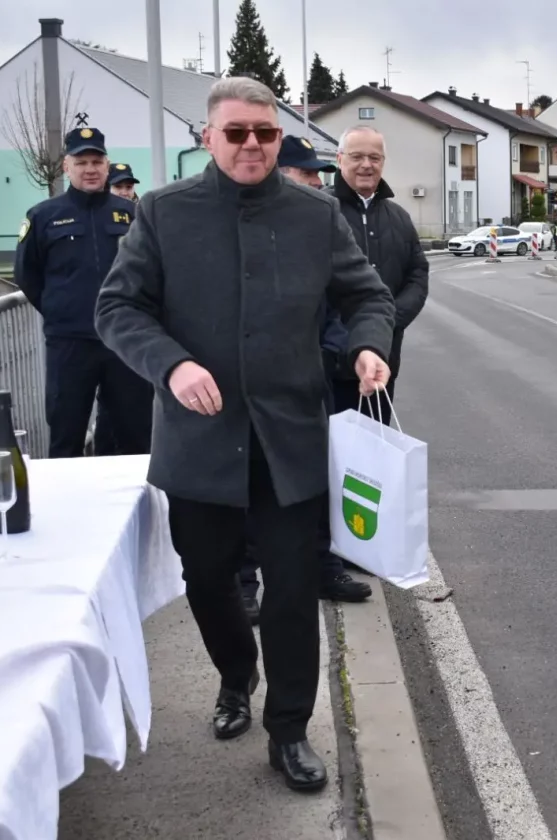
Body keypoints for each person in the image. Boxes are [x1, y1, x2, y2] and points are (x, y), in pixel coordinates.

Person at [95, 77, 397, 792]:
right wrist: (171, 366)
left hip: (290, 440)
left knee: (293, 591)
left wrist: (366, 344)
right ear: (209, 137)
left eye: (264, 133)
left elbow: (366, 294)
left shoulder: (314, 215)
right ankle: (237, 676)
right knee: (208, 580)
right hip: (200, 442)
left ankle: (288, 730)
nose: (254, 145)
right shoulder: (164, 213)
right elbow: (118, 308)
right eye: (237, 134)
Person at [238, 134, 372, 618]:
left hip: (312, 381)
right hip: (245, 392)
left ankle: (322, 566)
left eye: (319, 173)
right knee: (251, 490)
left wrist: (345, 349)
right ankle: (244, 583)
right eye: (307, 172)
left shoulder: (315, 222)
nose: (317, 181)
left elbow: (344, 298)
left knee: (316, 482)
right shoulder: (242, 223)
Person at [13, 127, 154, 458]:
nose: (90, 169)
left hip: (124, 341)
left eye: (96, 161)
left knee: (136, 437)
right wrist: (61, 309)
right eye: (81, 162)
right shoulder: (43, 216)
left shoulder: (132, 215)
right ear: (67, 166)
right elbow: (27, 275)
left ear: (107, 166)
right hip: (70, 343)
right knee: (66, 435)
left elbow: (151, 270)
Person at [326, 125, 429, 423]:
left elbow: (417, 275)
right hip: (328, 368)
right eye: (357, 156)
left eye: (375, 157)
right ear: (340, 158)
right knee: (326, 459)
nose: (367, 165)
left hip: (382, 366)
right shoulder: (320, 211)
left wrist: (384, 322)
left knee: (370, 462)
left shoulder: (398, 217)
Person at [92, 162, 144, 456]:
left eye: (128, 186)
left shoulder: (142, 216)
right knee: (106, 406)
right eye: (119, 187)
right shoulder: (100, 216)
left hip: (133, 325)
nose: (125, 192)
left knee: (134, 405)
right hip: (94, 327)